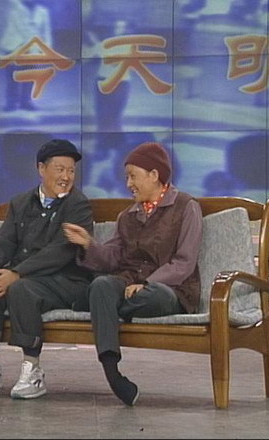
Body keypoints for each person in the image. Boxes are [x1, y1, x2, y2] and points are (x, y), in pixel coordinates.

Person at [63, 142, 202, 406]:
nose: (128, 184)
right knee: (102, 285)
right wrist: (89, 244)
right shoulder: (127, 216)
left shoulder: (186, 207)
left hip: (169, 290)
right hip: (127, 284)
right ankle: (112, 372)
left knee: (151, 295)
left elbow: (183, 263)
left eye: (132, 176)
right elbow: (112, 258)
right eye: (127, 177)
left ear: (154, 175)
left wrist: (147, 283)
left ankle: (101, 306)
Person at [0, 139, 93, 399]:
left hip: (65, 280)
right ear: (41, 169)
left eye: (71, 171)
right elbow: (3, 243)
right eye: (60, 169)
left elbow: (60, 251)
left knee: (21, 288)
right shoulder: (21, 202)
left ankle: (32, 368)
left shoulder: (78, 205)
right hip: (27, 277)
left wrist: (17, 273)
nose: (66, 177)